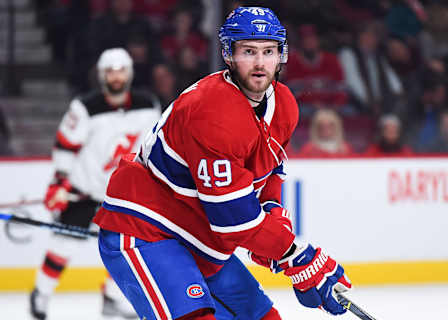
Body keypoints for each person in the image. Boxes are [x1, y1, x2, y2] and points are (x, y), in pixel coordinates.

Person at [93, 7, 352, 320]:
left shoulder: (284, 104)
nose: (259, 63)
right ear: (229, 54)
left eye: (268, 51)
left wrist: (274, 221)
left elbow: (270, 173)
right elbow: (234, 219)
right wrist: (296, 256)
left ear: (281, 56)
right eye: (248, 51)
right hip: (148, 229)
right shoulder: (211, 111)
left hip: (201, 237)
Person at [29, 48, 161, 320]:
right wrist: (59, 183)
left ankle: (112, 298)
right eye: (110, 71)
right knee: (64, 245)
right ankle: (41, 293)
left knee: (128, 248)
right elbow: (66, 146)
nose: (116, 76)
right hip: (84, 190)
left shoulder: (149, 104)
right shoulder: (85, 106)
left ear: (129, 73)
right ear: (102, 75)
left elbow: (153, 146)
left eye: (120, 70)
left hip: (124, 195)